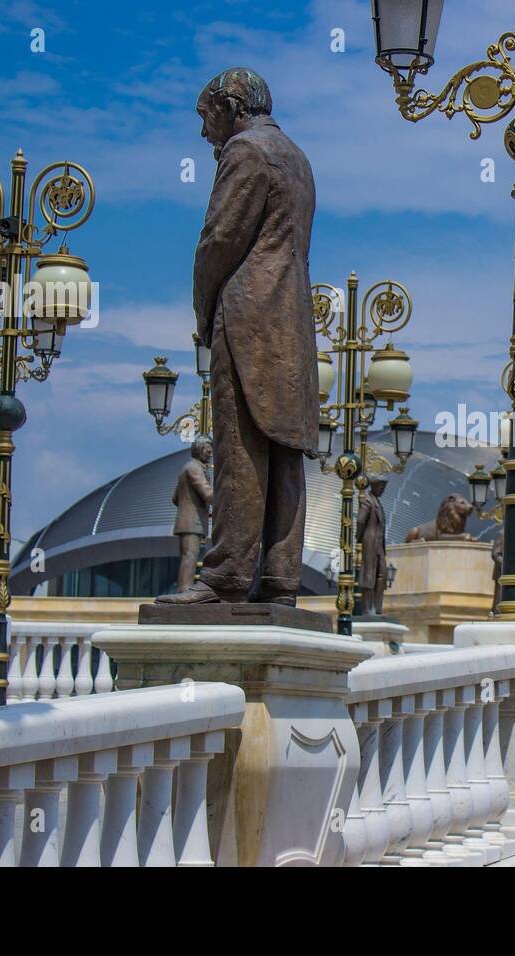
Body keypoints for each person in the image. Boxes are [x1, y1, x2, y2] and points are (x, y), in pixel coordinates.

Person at [159, 67, 317, 608]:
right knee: (282, 446)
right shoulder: (298, 158)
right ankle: (278, 578)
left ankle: (225, 574)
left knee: (240, 443)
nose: (205, 134)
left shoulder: (246, 151)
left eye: (206, 118)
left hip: (250, 314)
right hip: (292, 318)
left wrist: (203, 312)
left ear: (230, 106)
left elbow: (219, 241)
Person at [171, 439, 213, 594]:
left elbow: (175, 498)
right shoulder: (194, 469)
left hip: (188, 520)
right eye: (208, 452)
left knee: (188, 557)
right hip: (191, 522)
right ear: (199, 450)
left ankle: (184, 589)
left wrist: (199, 510)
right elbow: (207, 494)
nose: (210, 455)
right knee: (190, 557)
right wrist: (226, 497)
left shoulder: (186, 468)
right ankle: (184, 590)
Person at [356, 476, 389, 616]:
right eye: (381, 488)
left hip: (379, 545)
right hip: (370, 542)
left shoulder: (378, 503)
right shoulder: (368, 501)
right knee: (369, 574)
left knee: (382, 574)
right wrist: (359, 537)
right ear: (375, 487)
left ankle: (377, 608)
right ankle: (367, 608)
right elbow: (360, 521)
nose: (382, 491)